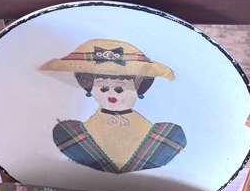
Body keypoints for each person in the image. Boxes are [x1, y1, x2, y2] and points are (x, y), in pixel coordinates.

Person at [39, 39, 186, 173]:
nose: (112, 94)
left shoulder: (165, 136)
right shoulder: (72, 134)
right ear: (90, 90)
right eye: (103, 88)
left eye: (120, 89)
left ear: (139, 90)